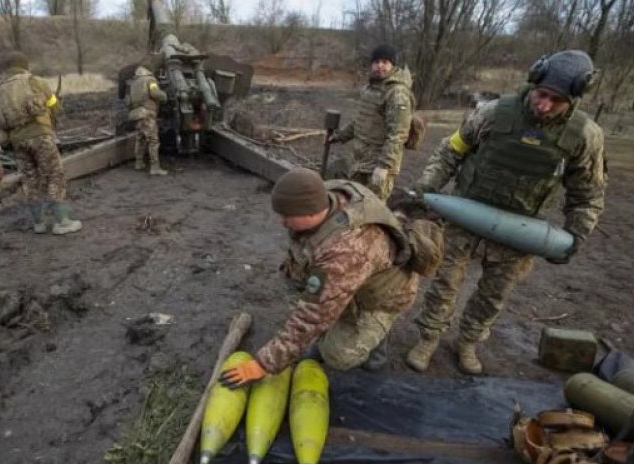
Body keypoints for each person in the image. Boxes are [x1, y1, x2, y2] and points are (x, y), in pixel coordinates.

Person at [404, 50, 608, 375]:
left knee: (493, 295)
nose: (544, 105)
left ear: (574, 99)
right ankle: (428, 337)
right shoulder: (493, 113)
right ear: (534, 82)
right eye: (542, 95)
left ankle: (468, 341)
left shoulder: (584, 136)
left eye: (556, 101)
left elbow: (588, 194)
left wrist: (575, 236)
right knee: (445, 283)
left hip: (519, 231)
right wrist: (426, 187)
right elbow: (451, 151)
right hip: (464, 218)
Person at [219, 168, 443, 389]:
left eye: (286, 216)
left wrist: (263, 364)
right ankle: (344, 317)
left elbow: (312, 317)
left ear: (309, 213)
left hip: (384, 297)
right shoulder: (327, 194)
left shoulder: (345, 251)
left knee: (337, 355)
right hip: (355, 276)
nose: (281, 221)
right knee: (312, 295)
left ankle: (378, 338)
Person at [0, 52, 82, 235]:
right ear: (25, 66)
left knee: (30, 180)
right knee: (54, 175)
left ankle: (39, 223)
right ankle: (62, 222)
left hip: (17, 141)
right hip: (40, 136)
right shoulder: (35, 81)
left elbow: (0, 117)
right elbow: (55, 107)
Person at [327, 44, 415, 201]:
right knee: (354, 203)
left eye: (385, 62)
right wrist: (338, 136)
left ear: (392, 65)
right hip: (360, 161)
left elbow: (398, 134)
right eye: (376, 62)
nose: (380, 66)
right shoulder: (369, 89)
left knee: (372, 207)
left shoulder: (397, 92)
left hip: (378, 164)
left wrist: (384, 166)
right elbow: (360, 121)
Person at [126, 66, 169, 176]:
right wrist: (164, 95)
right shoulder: (150, 80)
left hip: (137, 114)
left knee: (140, 139)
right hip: (147, 114)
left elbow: (128, 101)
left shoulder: (133, 83)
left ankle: (139, 163)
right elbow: (155, 93)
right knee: (153, 140)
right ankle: (155, 167)